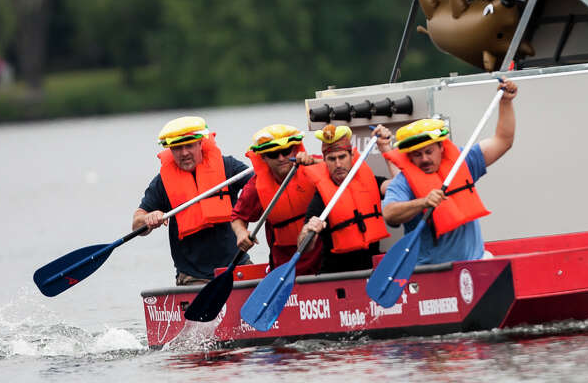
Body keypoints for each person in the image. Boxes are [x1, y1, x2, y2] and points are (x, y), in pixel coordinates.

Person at [382, 78, 518, 264]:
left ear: (441, 148)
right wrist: (422, 202)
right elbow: (389, 213)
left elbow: (503, 141)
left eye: (429, 151)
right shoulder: (404, 182)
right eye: (417, 155)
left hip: (474, 263)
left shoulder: (462, 161)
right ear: (409, 158)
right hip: (431, 272)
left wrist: (506, 102)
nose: (424, 159)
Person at [133, 116, 252, 285]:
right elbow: (137, 223)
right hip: (195, 277)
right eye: (177, 148)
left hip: (238, 266)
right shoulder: (162, 183)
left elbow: (259, 186)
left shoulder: (229, 167)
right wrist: (147, 218)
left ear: (200, 143)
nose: (184, 153)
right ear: (170, 149)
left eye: (189, 145)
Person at [298, 124, 394, 274]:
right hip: (338, 275)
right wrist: (308, 230)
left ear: (352, 156)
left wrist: (386, 148)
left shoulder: (373, 183)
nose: (338, 164)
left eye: (342, 157)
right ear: (324, 161)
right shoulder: (321, 198)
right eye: (331, 159)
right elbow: (304, 246)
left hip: (373, 271)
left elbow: (401, 187)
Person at [230, 124, 324, 274]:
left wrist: (314, 162)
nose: (281, 158)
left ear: (294, 149)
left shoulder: (314, 165)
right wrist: (241, 233)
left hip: (323, 258)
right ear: (264, 158)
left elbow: (343, 168)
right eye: (274, 154)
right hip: (284, 264)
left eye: (286, 151)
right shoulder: (256, 185)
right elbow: (237, 217)